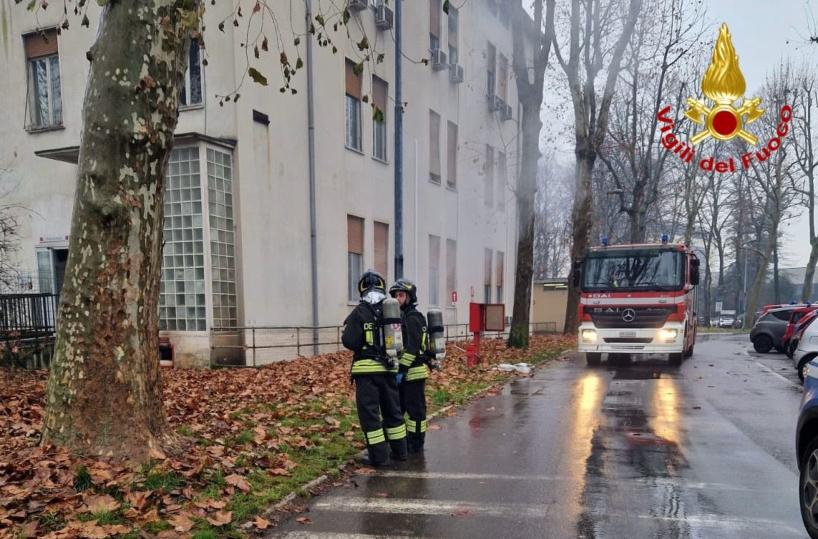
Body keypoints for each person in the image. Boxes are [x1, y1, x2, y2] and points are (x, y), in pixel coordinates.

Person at [342, 270, 408, 466]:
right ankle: (400, 452)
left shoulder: (359, 312)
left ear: (361, 289)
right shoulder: (393, 311)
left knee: (370, 415)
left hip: (366, 373)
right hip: (388, 369)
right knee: (393, 411)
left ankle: (378, 458)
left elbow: (350, 341)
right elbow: (403, 337)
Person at [389, 278, 432, 454]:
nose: (397, 299)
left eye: (401, 295)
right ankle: (403, 442)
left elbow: (413, 348)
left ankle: (416, 443)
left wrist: (401, 369)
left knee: (416, 413)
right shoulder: (403, 317)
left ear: (409, 297)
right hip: (405, 373)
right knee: (399, 409)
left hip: (413, 372)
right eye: (395, 295)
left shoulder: (413, 318)